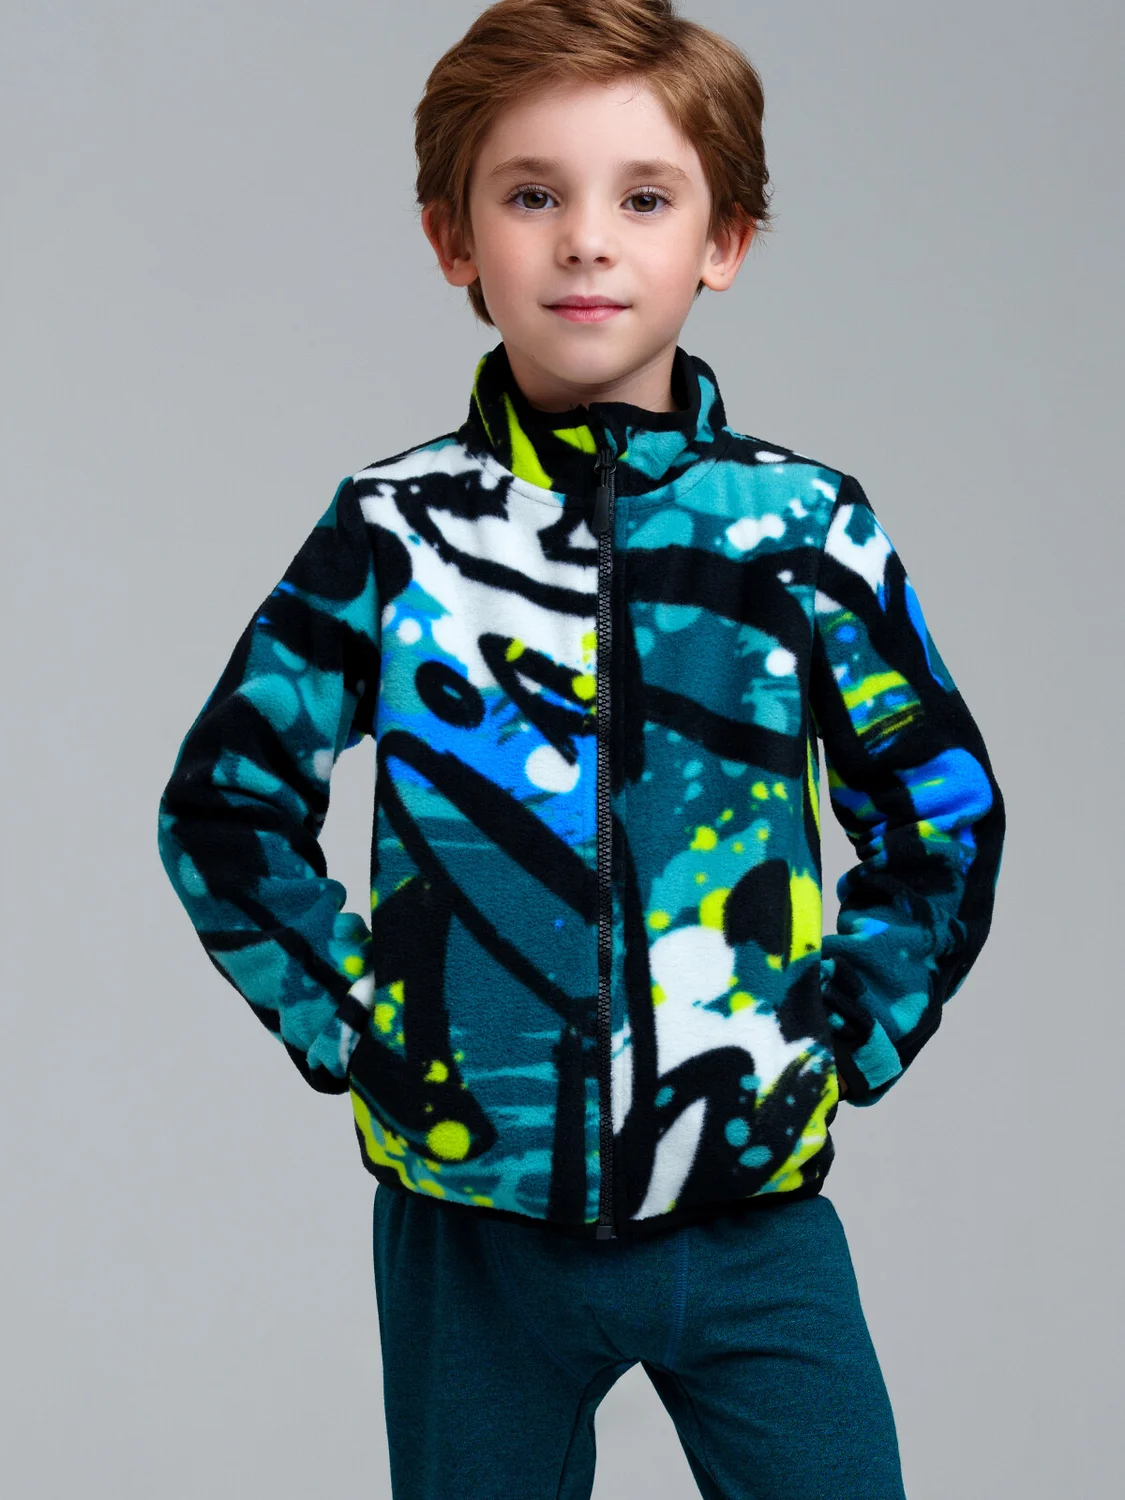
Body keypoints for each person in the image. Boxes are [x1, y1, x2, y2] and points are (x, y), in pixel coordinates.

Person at [156, 2, 1006, 1495]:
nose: (588, 241)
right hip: (473, 1232)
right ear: (454, 240)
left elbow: (942, 808)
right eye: (533, 194)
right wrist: (367, 1026)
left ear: (724, 241)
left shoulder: (802, 531)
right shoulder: (393, 532)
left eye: (646, 198)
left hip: (749, 1218)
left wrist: (836, 1041)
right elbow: (226, 808)